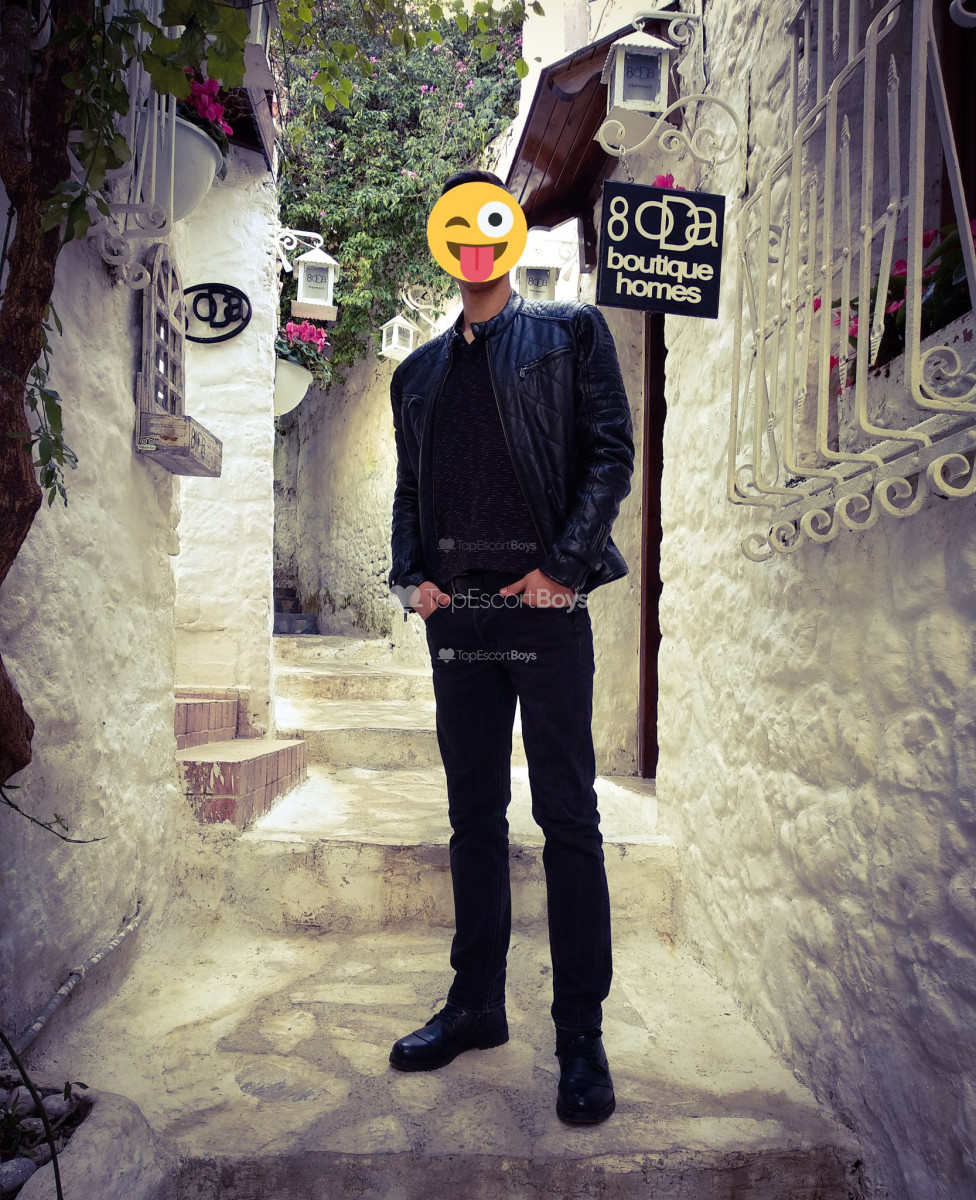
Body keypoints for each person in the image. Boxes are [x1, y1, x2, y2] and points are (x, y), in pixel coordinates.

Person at [387, 168, 634, 1124]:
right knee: (473, 816)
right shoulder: (417, 374)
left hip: (543, 611)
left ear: (513, 234)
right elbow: (411, 491)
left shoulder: (570, 333)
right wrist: (412, 580)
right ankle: (476, 1006)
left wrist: (564, 568)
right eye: (460, 225)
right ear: (443, 241)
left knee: (567, 816)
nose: (476, 240)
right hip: (460, 619)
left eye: (491, 222)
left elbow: (609, 453)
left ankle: (580, 1035)